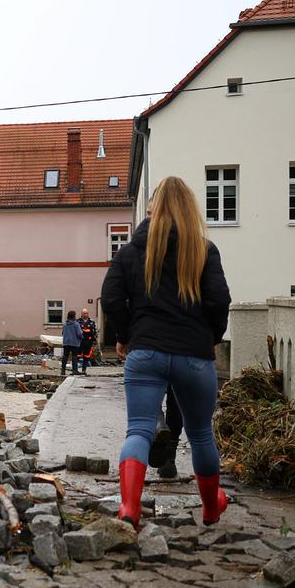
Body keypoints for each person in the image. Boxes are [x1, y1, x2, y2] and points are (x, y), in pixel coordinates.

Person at [101, 176, 232, 528]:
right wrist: (212, 338)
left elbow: (110, 298)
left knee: (139, 431)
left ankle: (129, 507)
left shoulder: (131, 251)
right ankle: (210, 508)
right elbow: (219, 300)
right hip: (194, 355)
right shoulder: (204, 249)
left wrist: (127, 334)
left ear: (152, 210)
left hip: (146, 352)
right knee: (201, 433)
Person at [60, 310, 82, 376]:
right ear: (74, 316)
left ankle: (63, 371)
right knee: (74, 357)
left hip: (66, 342)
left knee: (65, 356)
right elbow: (79, 333)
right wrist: (81, 338)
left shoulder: (64, 324)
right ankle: (75, 371)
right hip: (74, 343)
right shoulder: (76, 324)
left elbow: (62, 333)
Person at [78, 308, 98, 375]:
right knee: (77, 356)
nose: (85, 314)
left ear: (88, 314)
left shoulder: (92, 321)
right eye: (84, 313)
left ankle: (84, 370)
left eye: (86, 313)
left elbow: (95, 331)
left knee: (86, 356)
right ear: (81, 314)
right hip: (80, 341)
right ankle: (75, 370)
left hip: (88, 342)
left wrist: (94, 340)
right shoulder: (78, 321)